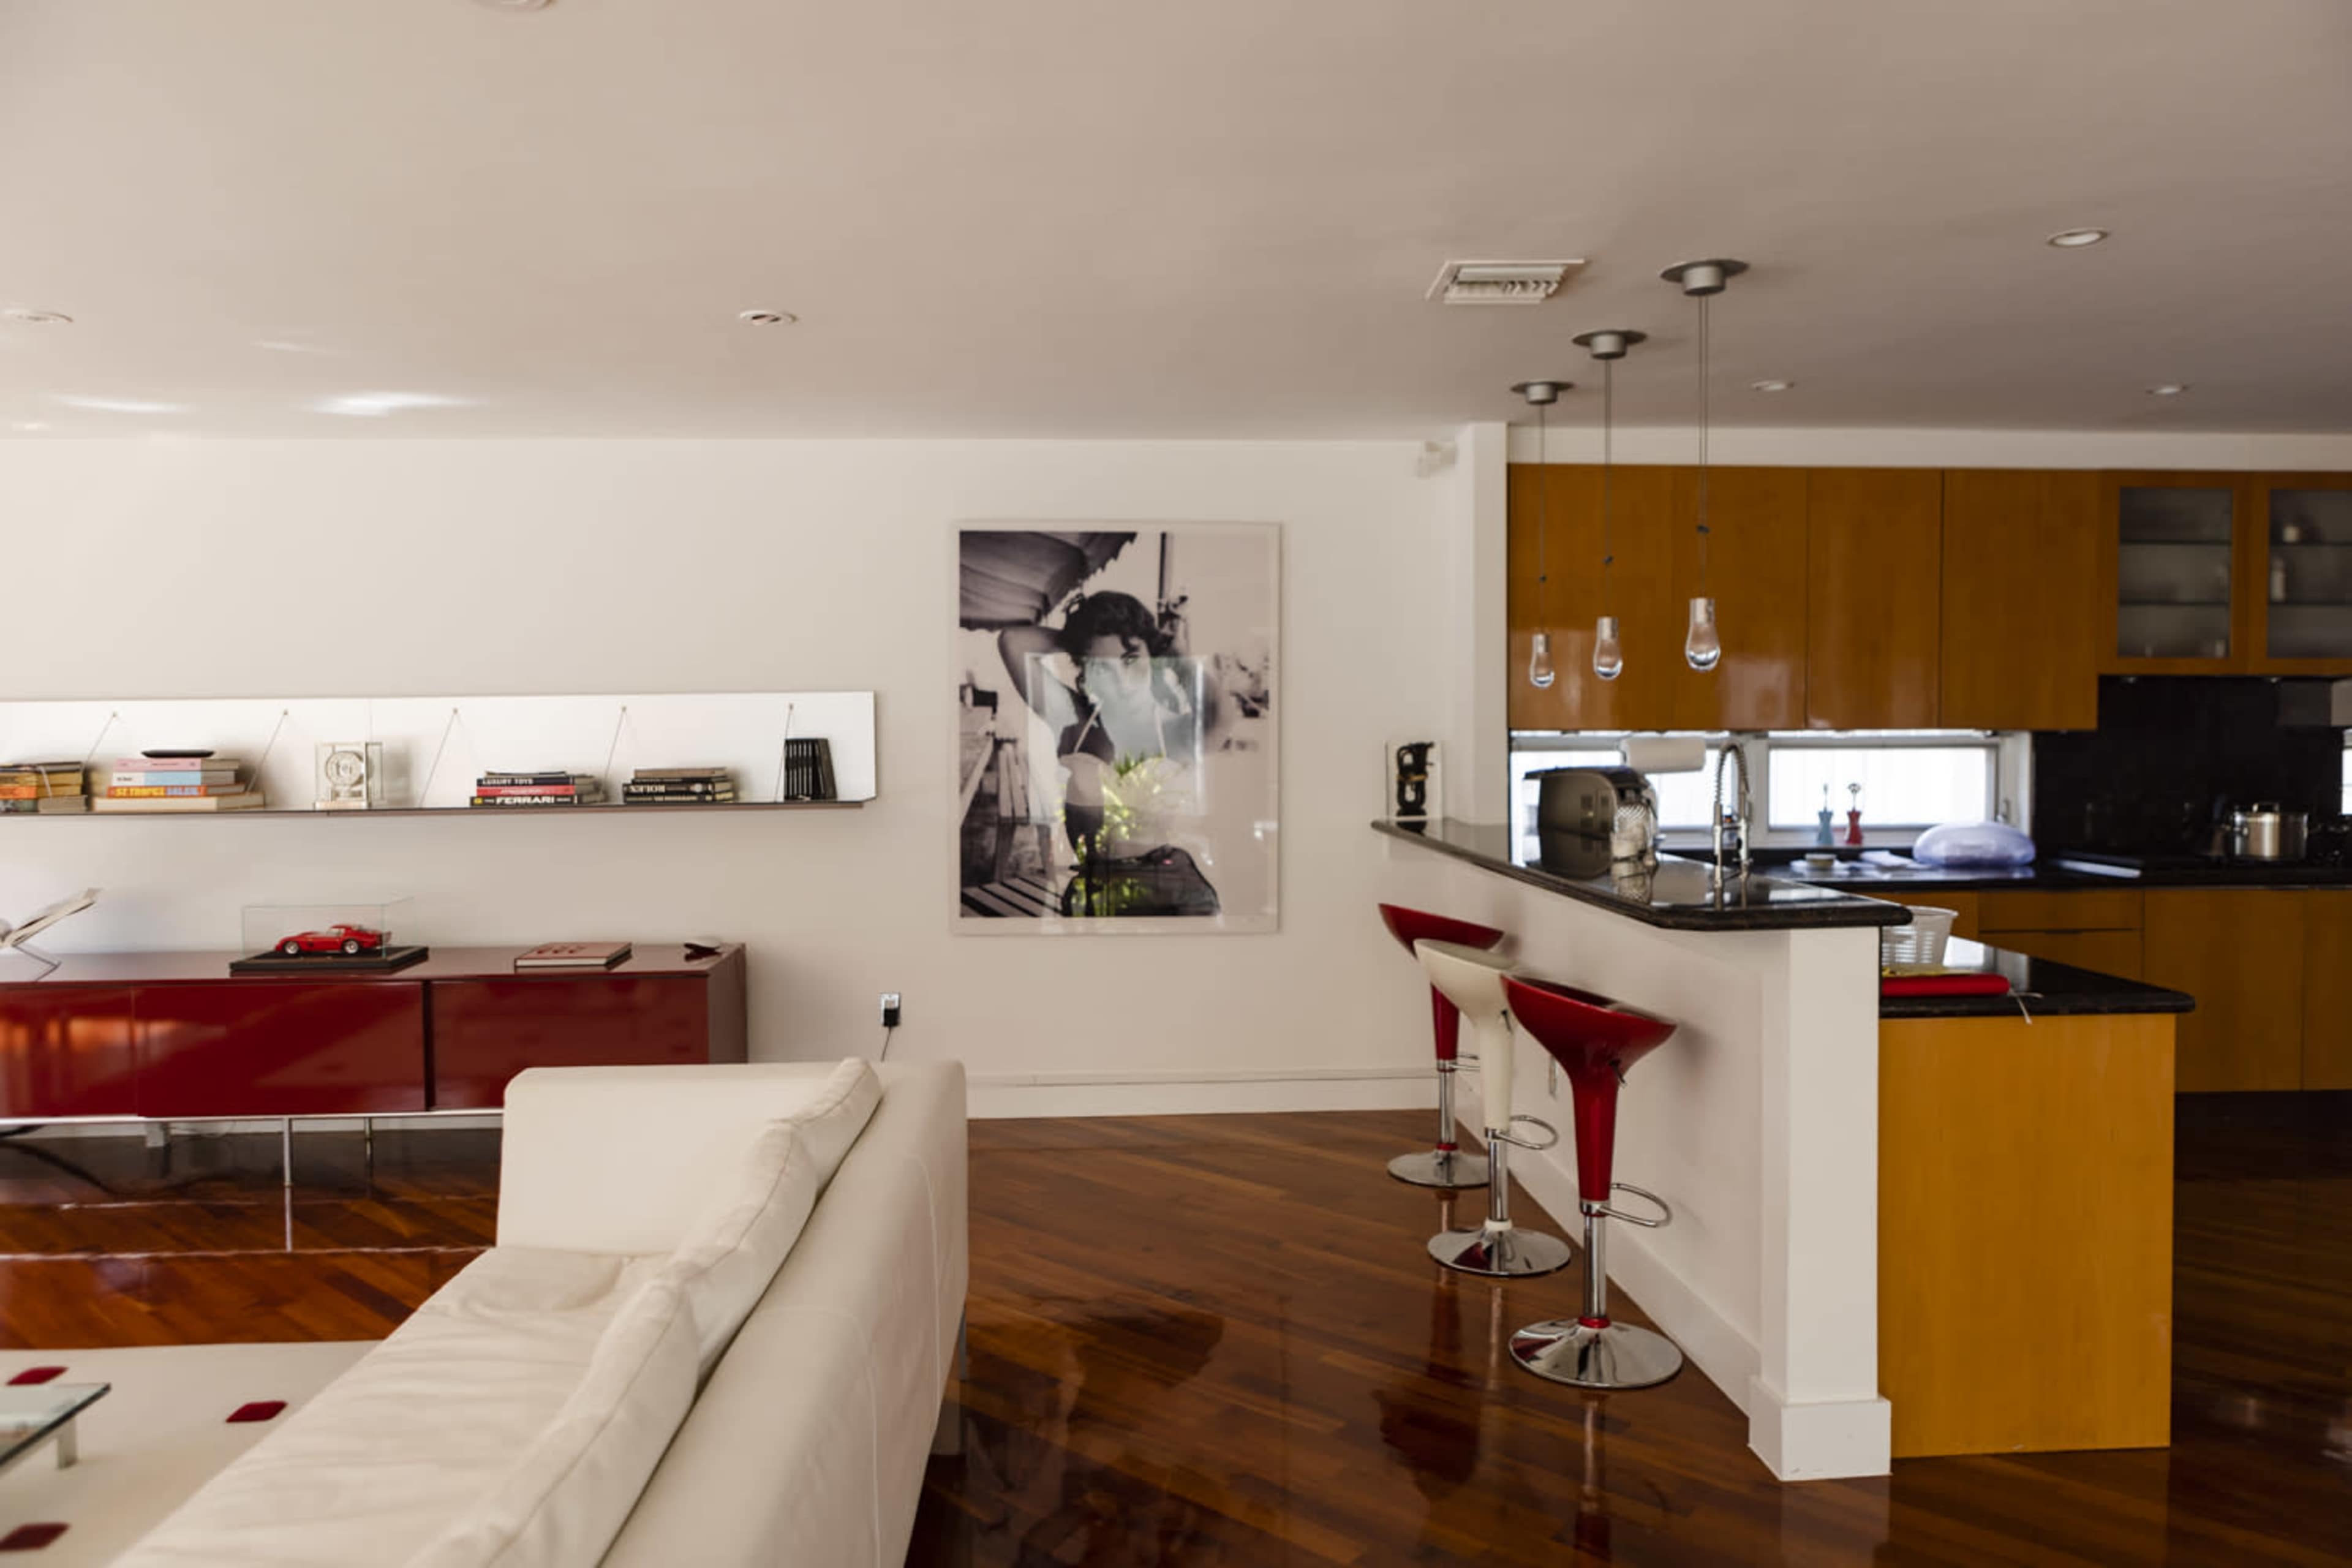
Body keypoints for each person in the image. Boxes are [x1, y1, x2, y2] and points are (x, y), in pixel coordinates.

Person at [997, 590, 1222, 914]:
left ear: (1152, 655)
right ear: (1086, 673)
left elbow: (1221, 716)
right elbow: (1013, 642)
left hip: (1173, 892)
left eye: (1130, 661)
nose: (1123, 683)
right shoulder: (1071, 718)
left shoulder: (1169, 727)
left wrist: (1175, 652)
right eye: (1102, 669)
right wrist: (1078, 639)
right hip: (1097, 891)